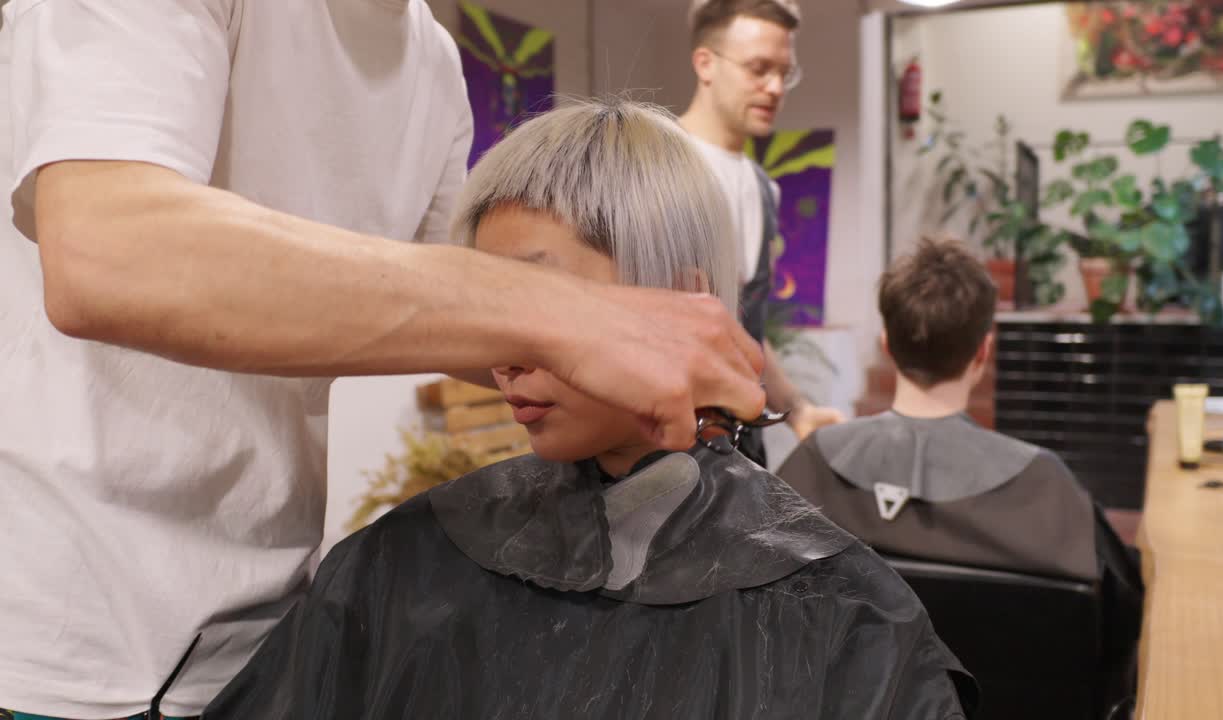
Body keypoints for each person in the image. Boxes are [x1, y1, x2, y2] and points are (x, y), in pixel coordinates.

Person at [0, 3, 765, 718]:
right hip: (63, 633)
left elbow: (449, 317)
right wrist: (570, 317)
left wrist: (626, 366)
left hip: (260, 629)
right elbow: (107, 253)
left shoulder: (428, 57)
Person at [201, 100, 978, 720]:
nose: (502, 352)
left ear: (683, 294)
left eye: (542, 298)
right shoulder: (399, 565)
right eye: (490, 307)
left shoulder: (850, 622)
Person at [776, 237, 1144, 705]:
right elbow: (1121, 625)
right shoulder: (1046, 487)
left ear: (888, 344)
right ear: (983, 352)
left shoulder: (811, 467)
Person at [678, 0, 845, 464]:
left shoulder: (761, 188)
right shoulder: (658, 168)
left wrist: (798, 412)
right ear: (705, 63)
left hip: (742, 454)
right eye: (758, 68)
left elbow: (742, 329)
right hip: (664, 455)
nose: (774, 87)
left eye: (784, 73)